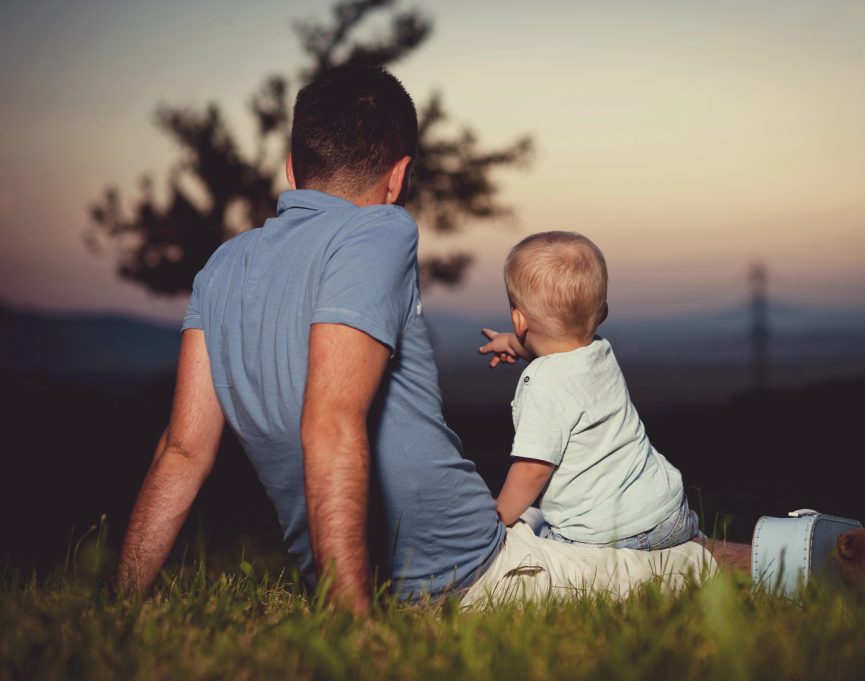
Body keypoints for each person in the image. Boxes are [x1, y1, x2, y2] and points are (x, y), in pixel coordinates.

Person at [115, 64, 734, 615]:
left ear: (291, 169)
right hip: (471, 574)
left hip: (395, 573)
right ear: (398, 176)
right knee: (693, 561)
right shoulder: (379, 229)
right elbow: (330, 420)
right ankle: (814, 548)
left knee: (576, 524)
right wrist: (350, 632)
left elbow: (182, 451)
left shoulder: (222, 267)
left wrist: (121, 605)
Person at [479, 231, 700, 551]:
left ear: (518, 319)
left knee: (531, 537)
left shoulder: (543, 384)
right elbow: (559, 350)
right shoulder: (599, 350)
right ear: (603, 313)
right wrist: (511, 342)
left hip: (607, 534)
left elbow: (532, 470)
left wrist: (498, 517)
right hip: (667, 513)